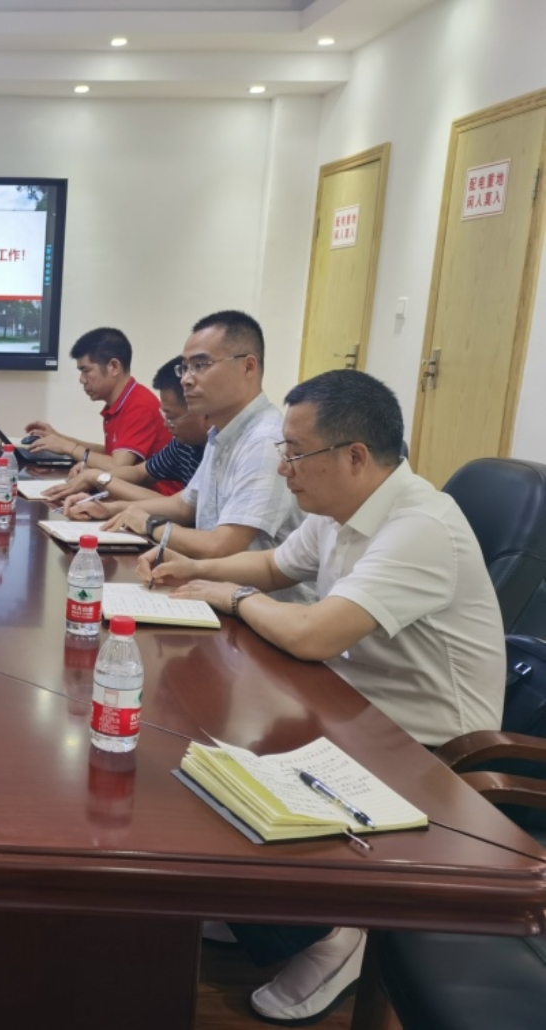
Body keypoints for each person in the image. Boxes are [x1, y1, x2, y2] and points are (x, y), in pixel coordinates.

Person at [145, 369, 505, 1025]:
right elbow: (274, 565)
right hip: (354, 705)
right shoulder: (341, 509)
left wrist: (231, 597)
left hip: (429, 747)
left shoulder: (420, 526)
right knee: (205, 745)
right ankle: (268, 912)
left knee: (236, 758)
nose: (284, 468)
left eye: (295, 452)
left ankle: (337, 930)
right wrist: (194, 568)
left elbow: (313, 634)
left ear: (354, 456)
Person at [64, 311, 306, 573]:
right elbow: (183, 505)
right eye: (185, 367)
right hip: (214, 583)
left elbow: (221, 545)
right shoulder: (222, 433)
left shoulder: (265, 442)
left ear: (248, 366)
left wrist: (150, 525)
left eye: (200, 365)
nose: (186, 379)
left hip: (253, 595)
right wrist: (110, 509)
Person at [44, 358, 208, 505]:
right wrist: (95, 476)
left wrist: (96, 477)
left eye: (86, 370)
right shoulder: (182, 445)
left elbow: (180, 507)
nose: (165, 424)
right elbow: (139, 472)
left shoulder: (140, 405)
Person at [23, 326, 172, 468]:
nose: (82, 380)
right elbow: (109, 455)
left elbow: (117, 466)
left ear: (114, 367)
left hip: (151, 488)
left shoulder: (140, 405)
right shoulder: (121, 402)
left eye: (86, 371)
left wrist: (67, 447)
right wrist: (59, 439)